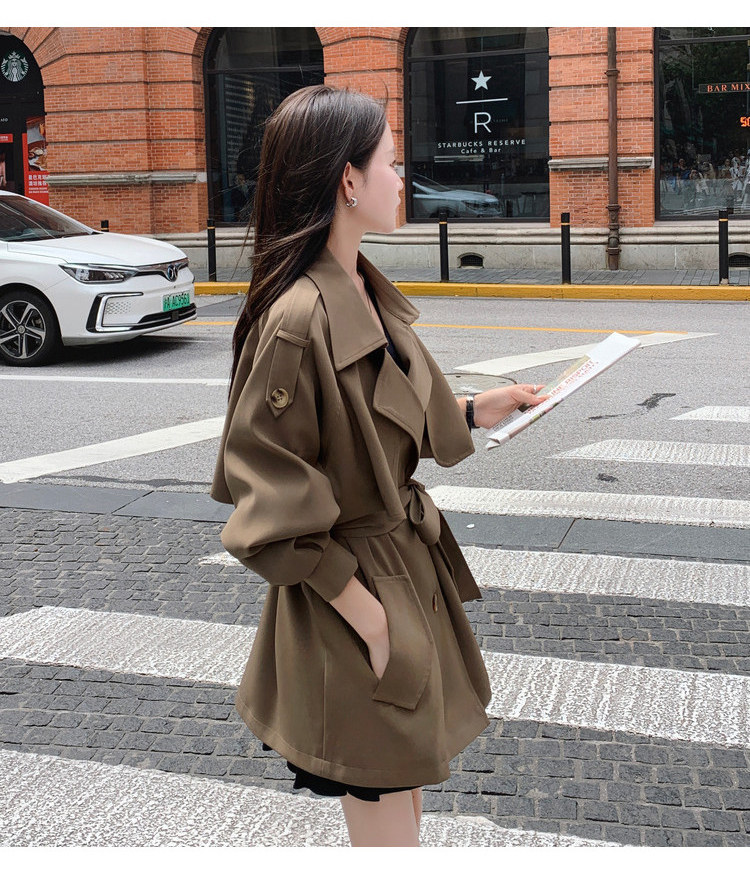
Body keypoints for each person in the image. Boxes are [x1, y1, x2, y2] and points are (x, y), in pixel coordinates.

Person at [210, 84, 547, 847]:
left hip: (401, 574)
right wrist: (371, 621)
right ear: (348, 181)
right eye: (392, 161)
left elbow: (380, 417)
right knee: (386, 820)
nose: (404, 178)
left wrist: (475, 409)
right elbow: (266, 505)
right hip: (351, 597)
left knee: (404, 800)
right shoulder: (298, 319)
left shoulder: (362, 288)